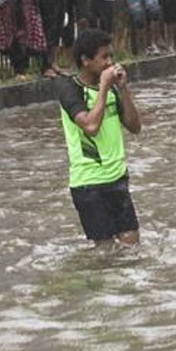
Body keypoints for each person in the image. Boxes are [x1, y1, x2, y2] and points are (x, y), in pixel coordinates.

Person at [56, 29, 143, 245]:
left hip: (118, 178)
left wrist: (123, 89)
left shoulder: (112, 90)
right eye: (104, 57)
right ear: (85, 60)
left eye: (111, 56)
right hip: (89, 184)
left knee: (132, 244)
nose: (110, 63)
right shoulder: (70, 90)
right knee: (105, 251)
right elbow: (91, 126)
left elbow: (135, 127)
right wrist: (104, 87)